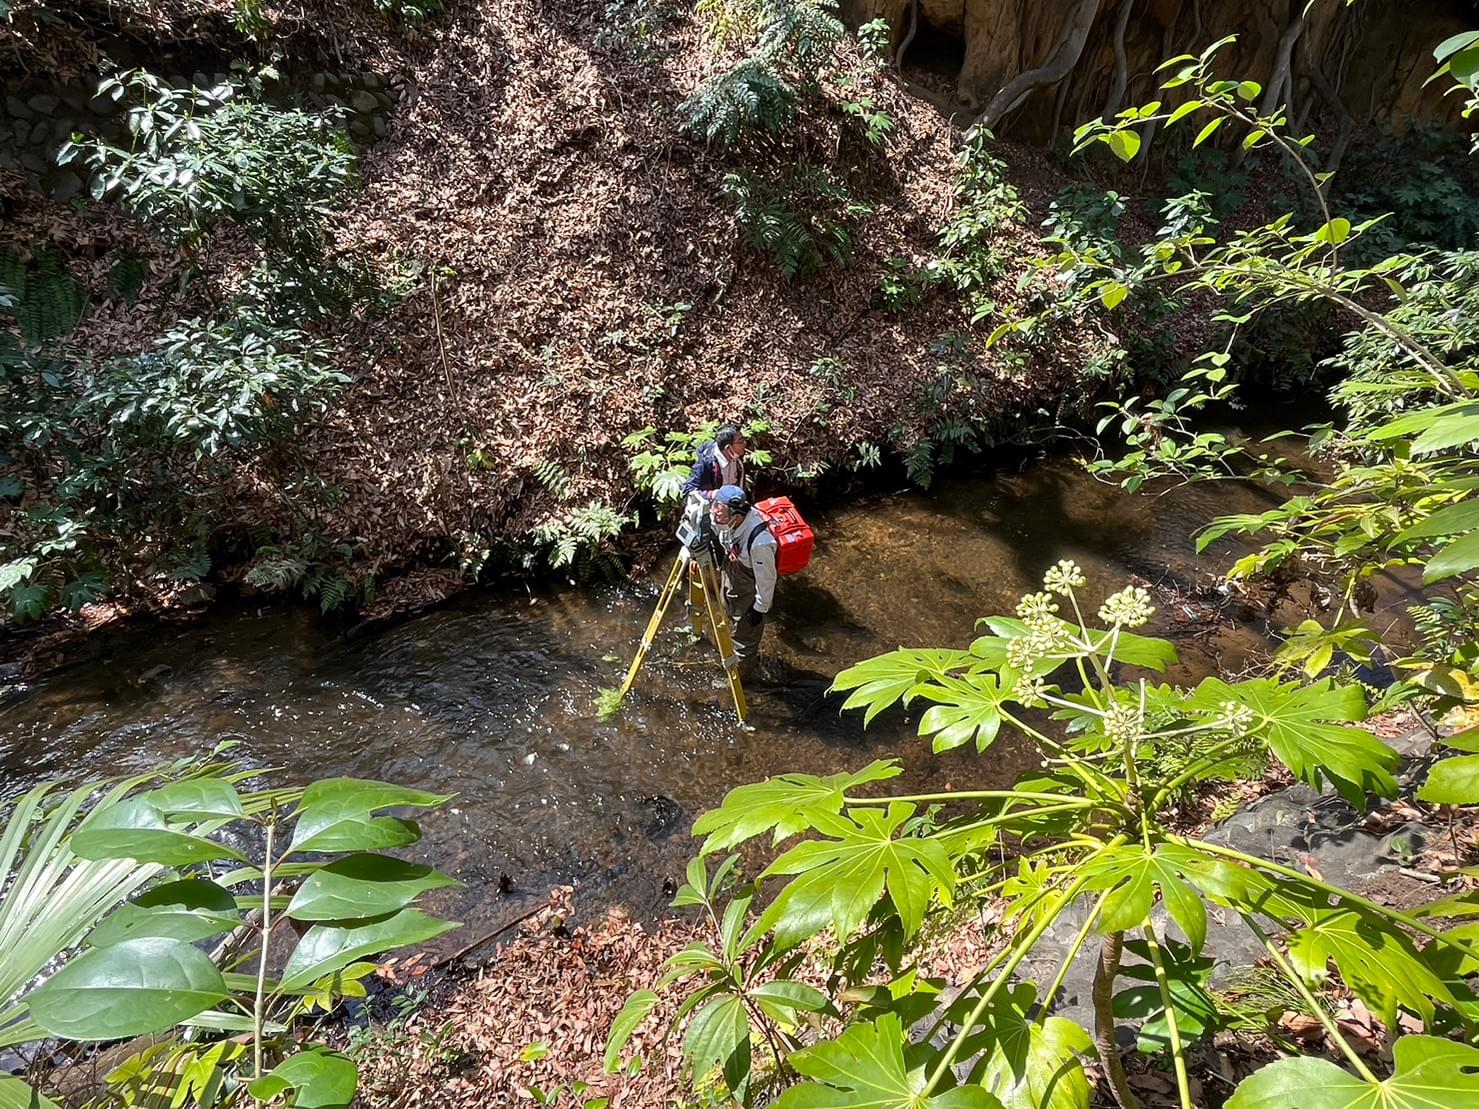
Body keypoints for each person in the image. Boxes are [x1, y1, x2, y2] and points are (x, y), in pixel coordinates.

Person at [711, 485, 776, 682]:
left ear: (737, 515)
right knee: (729, 611)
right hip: (733, 575)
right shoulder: (728, 522)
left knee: (745, 640)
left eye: (720, 512)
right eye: (715, 507)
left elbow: (767, 579)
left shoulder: (760, 543)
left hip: (749, 588)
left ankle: (740, 677)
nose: (715, 514)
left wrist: (759, 609)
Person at [681, 424, 747, 501]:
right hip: (713, 508)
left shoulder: (736, 456)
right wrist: (713, 494)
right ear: (728, 448)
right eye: (741, 441)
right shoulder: (706, 463)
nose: (745, 443)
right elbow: (688, 491)